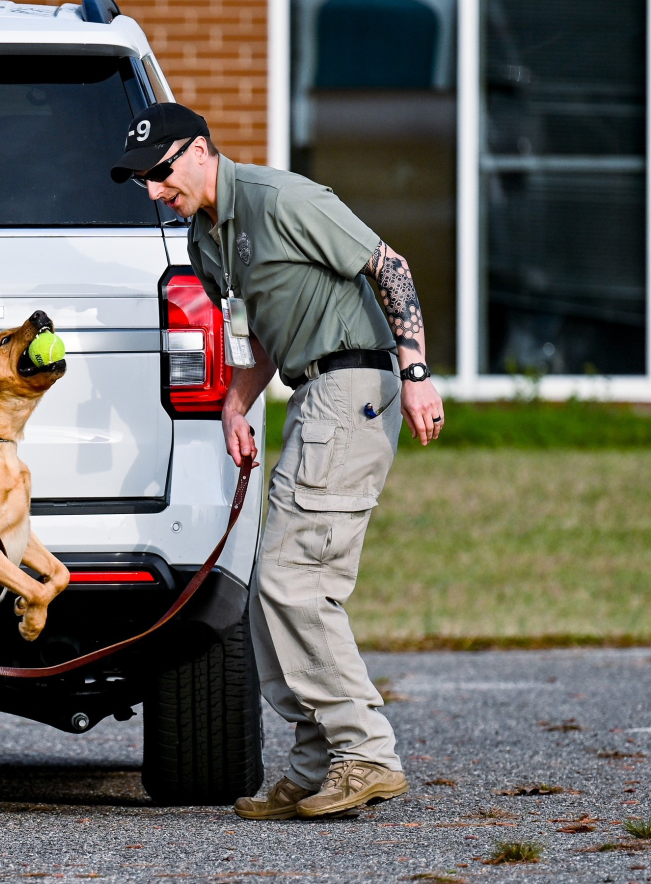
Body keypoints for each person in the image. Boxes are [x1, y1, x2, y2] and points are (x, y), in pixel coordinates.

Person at [111, 103, 444, 819]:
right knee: (270, 589)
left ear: (200, 151)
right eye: (141, 179)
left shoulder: (282, 199)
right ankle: (317, 760)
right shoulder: (208, 237)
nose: (153, 191)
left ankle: (365, 752)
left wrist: (416, 372)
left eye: (160, 174)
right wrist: (236, 402)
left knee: (297, 580)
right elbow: (265, 325)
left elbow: (390, 266)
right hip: (312, 392)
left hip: (353, 386)